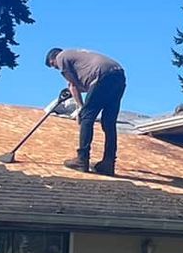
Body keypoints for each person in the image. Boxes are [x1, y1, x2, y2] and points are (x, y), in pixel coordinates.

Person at [46, 47, 127, 176]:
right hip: (118, 76)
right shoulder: (79, 57)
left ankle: (82, 160)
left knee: (86, 118)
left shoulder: (61, 56)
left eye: (53, 65)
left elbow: (73, 85)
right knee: (109, 123)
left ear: (53, 58)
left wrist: (80, 108)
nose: (57, 69)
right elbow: (84, 85)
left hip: (102, 76)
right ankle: (108, 163)